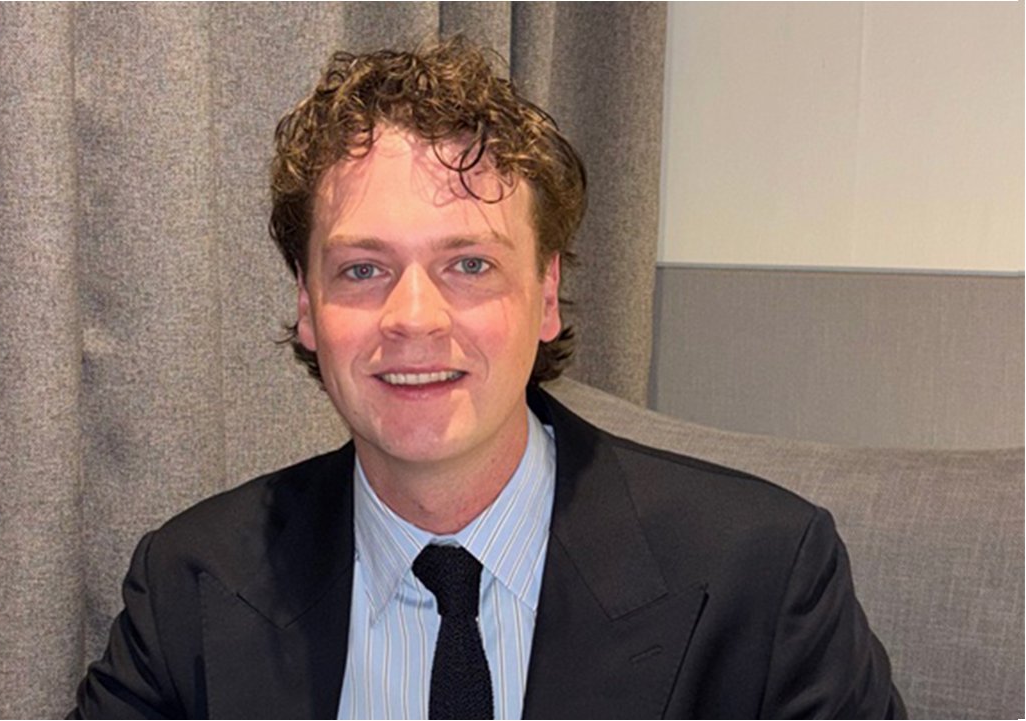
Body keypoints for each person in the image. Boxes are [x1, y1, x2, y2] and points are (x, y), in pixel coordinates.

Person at [71, 36, 904, 719]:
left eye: (469, 264)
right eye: (362, 269)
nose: (414, 317)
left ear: (545, 294)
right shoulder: (191, 582)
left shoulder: (761, 572)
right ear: (307, 307)